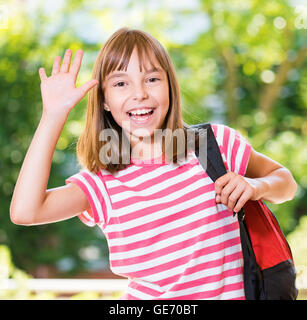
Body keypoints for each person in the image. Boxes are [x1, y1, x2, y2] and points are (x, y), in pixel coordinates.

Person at [10, 27, 297, 300]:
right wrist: (53, 115)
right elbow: (25, 211)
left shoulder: (214, 146)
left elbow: (285, 182)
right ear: (105, 101)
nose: (140, 94)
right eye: (121, 83)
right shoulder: (103, 184)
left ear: (170, 87)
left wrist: (255, 185)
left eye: (152, 79)